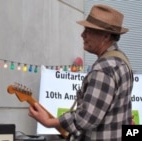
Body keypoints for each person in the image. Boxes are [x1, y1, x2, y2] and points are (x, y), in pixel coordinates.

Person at [28, 4, 133, 141]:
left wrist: (49, 122)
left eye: (88, 31)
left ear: (106, 36)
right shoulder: (121, 60)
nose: (82, 35)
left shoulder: (103, 69)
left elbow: (86, 119)